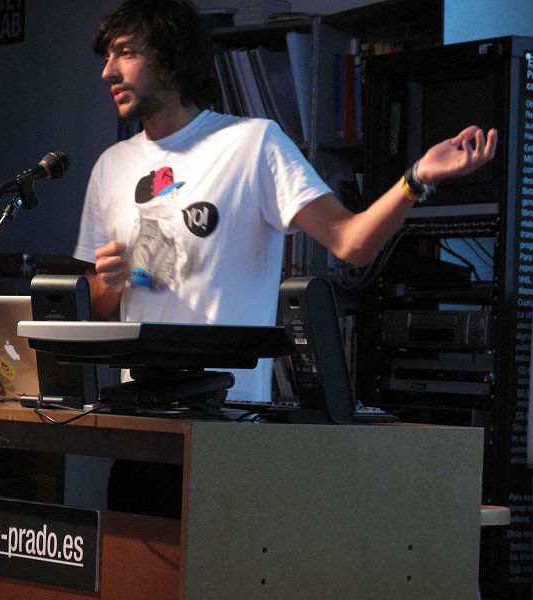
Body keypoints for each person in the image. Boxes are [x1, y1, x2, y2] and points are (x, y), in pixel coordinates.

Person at [72, 0, 497, 515]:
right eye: (106, 57)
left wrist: (416, 180)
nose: (107, 71)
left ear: (170, 57)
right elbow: (93, 307)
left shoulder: (252, 144)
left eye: (125, 53)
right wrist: (110, 285)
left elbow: (350, 241)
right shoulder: (110, 166)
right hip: (140, 429)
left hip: (226, 427)